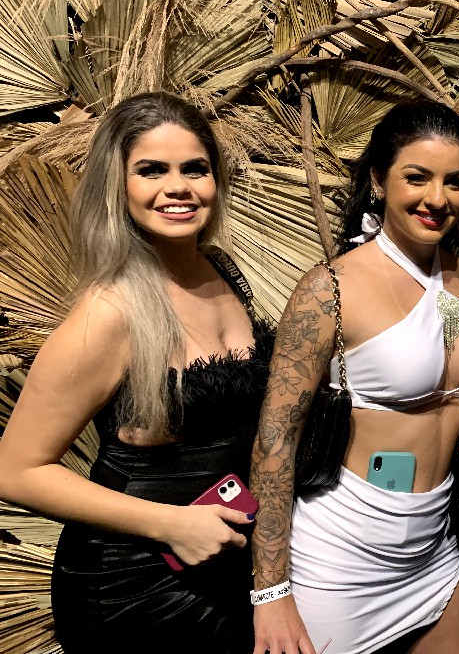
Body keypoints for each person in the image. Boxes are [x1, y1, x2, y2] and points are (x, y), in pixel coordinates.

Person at [0, 92, 272, 652]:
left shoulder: (222, 271)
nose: (178, 187)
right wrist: (171, 524)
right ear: (117, 186)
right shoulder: (108, 313)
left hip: (225, 565)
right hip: (132, 585)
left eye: (195, 169)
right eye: (151, 171)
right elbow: (16, 471)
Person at [250, 100, 459, 654]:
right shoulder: (330, 289)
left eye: (454, 182)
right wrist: (270, 591)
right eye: (417, 177)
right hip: (342, 553)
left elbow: (449, 372)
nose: (438, 198)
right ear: (379, 182)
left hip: (434, 547)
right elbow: (275, 438)